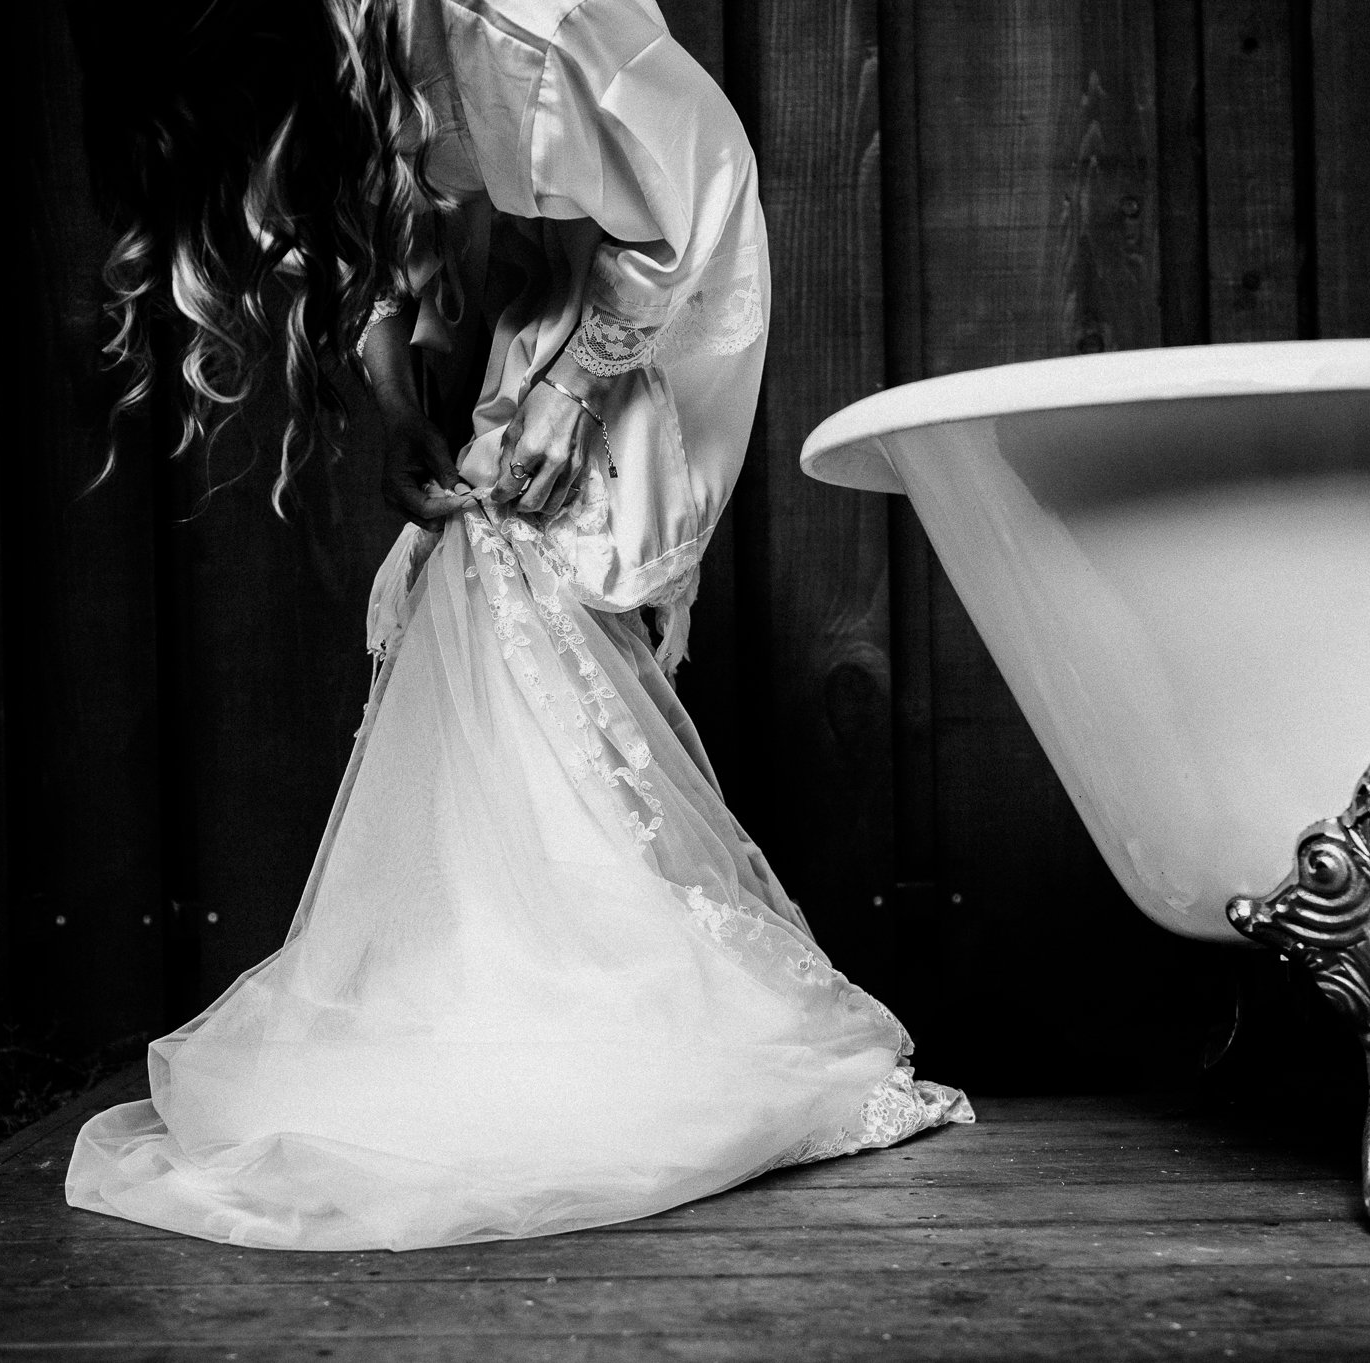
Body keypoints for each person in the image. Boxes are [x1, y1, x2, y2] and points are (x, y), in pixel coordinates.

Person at [64, 0, 970, 1252]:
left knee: (547, 554)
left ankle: (616, 994)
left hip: (665, 268)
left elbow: (691, 182)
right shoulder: (322, 58)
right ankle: (523, 976)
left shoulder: (530, 15)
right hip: (517, 270)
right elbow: (348, 192)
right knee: (476, 566)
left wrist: (581, 383)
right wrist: (394, 393)